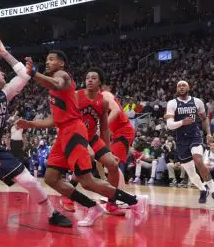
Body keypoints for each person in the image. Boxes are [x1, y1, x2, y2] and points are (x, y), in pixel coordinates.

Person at [16, 50, 148, 227]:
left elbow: (57, 83)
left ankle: (133, 201)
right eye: (46, 59)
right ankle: (92, 206)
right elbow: (55, 120)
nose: (47, 62)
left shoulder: (63, 77)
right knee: (51, 178)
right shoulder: (69, 94)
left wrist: (33, 73)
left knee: (90, 178)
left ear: (61, 64)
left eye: (52, 59)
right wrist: (31, 124)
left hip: (78, 132)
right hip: (65, 132)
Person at [0, 39, 71, 234]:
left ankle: (52, 214)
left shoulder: (4, 94)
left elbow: (24, 74)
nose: (3, 73)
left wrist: (3, 52)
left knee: (30, 182)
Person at [60, 68, 126, 216]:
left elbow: (104, 129)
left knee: (113, 164)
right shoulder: (77, 96)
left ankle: (111, 203)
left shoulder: (102, 102)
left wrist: (108, 151)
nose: (89, 80)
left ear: (100, 82)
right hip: (76, 136)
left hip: (92, 137)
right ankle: (67, 195)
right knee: (86, 161)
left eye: (93, 78)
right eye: (87, 78)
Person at [164, 80, 214, 203]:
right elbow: (169, 125)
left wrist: (208, 133)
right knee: (191, 172)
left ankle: (213, 190)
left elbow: (204, 119)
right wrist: (182, 122)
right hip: (180, 140)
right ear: (176, 89)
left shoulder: (197, 102)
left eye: (184, 85)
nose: (181, 87)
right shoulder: (172, 103)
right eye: (179, 86)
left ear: (188, 87)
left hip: (194, 136)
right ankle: (203, 190)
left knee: (198, 160)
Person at [101, 85, 136, 184]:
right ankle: (116, 191)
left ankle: (117, 193)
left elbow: (117, 110)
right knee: (108, 163)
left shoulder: (105, 94)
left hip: (124, 132)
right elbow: (110, 131)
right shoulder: (98, 103)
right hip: (117, 133)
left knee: (112, 163)